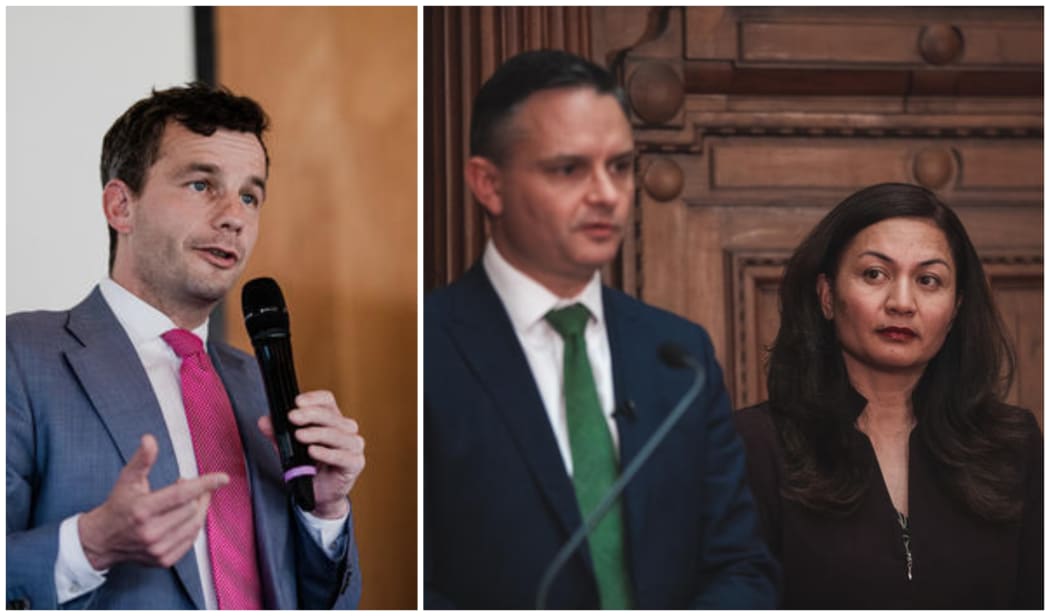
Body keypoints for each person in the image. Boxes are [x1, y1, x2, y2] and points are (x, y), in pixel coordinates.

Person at [424, 49, 778, 609]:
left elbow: (740, 565)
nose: (607, 195)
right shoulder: (426, 349)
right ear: (488, 184)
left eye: (619, 167)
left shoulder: (679, 354)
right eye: (569, 169)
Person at [7, 83, 365, 610]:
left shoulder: (260, 388)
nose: (234, 216)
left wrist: (325, 512)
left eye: (250, 195)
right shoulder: (21, 356)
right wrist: (89, 546)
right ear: (120, 206)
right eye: (202, 185)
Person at [734, 182, 1043, 609]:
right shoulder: (755, 444)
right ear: (827, 296)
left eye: (928, 280)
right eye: (874, 274)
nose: (902, 302)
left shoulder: (1015, 443)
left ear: (954, 310)